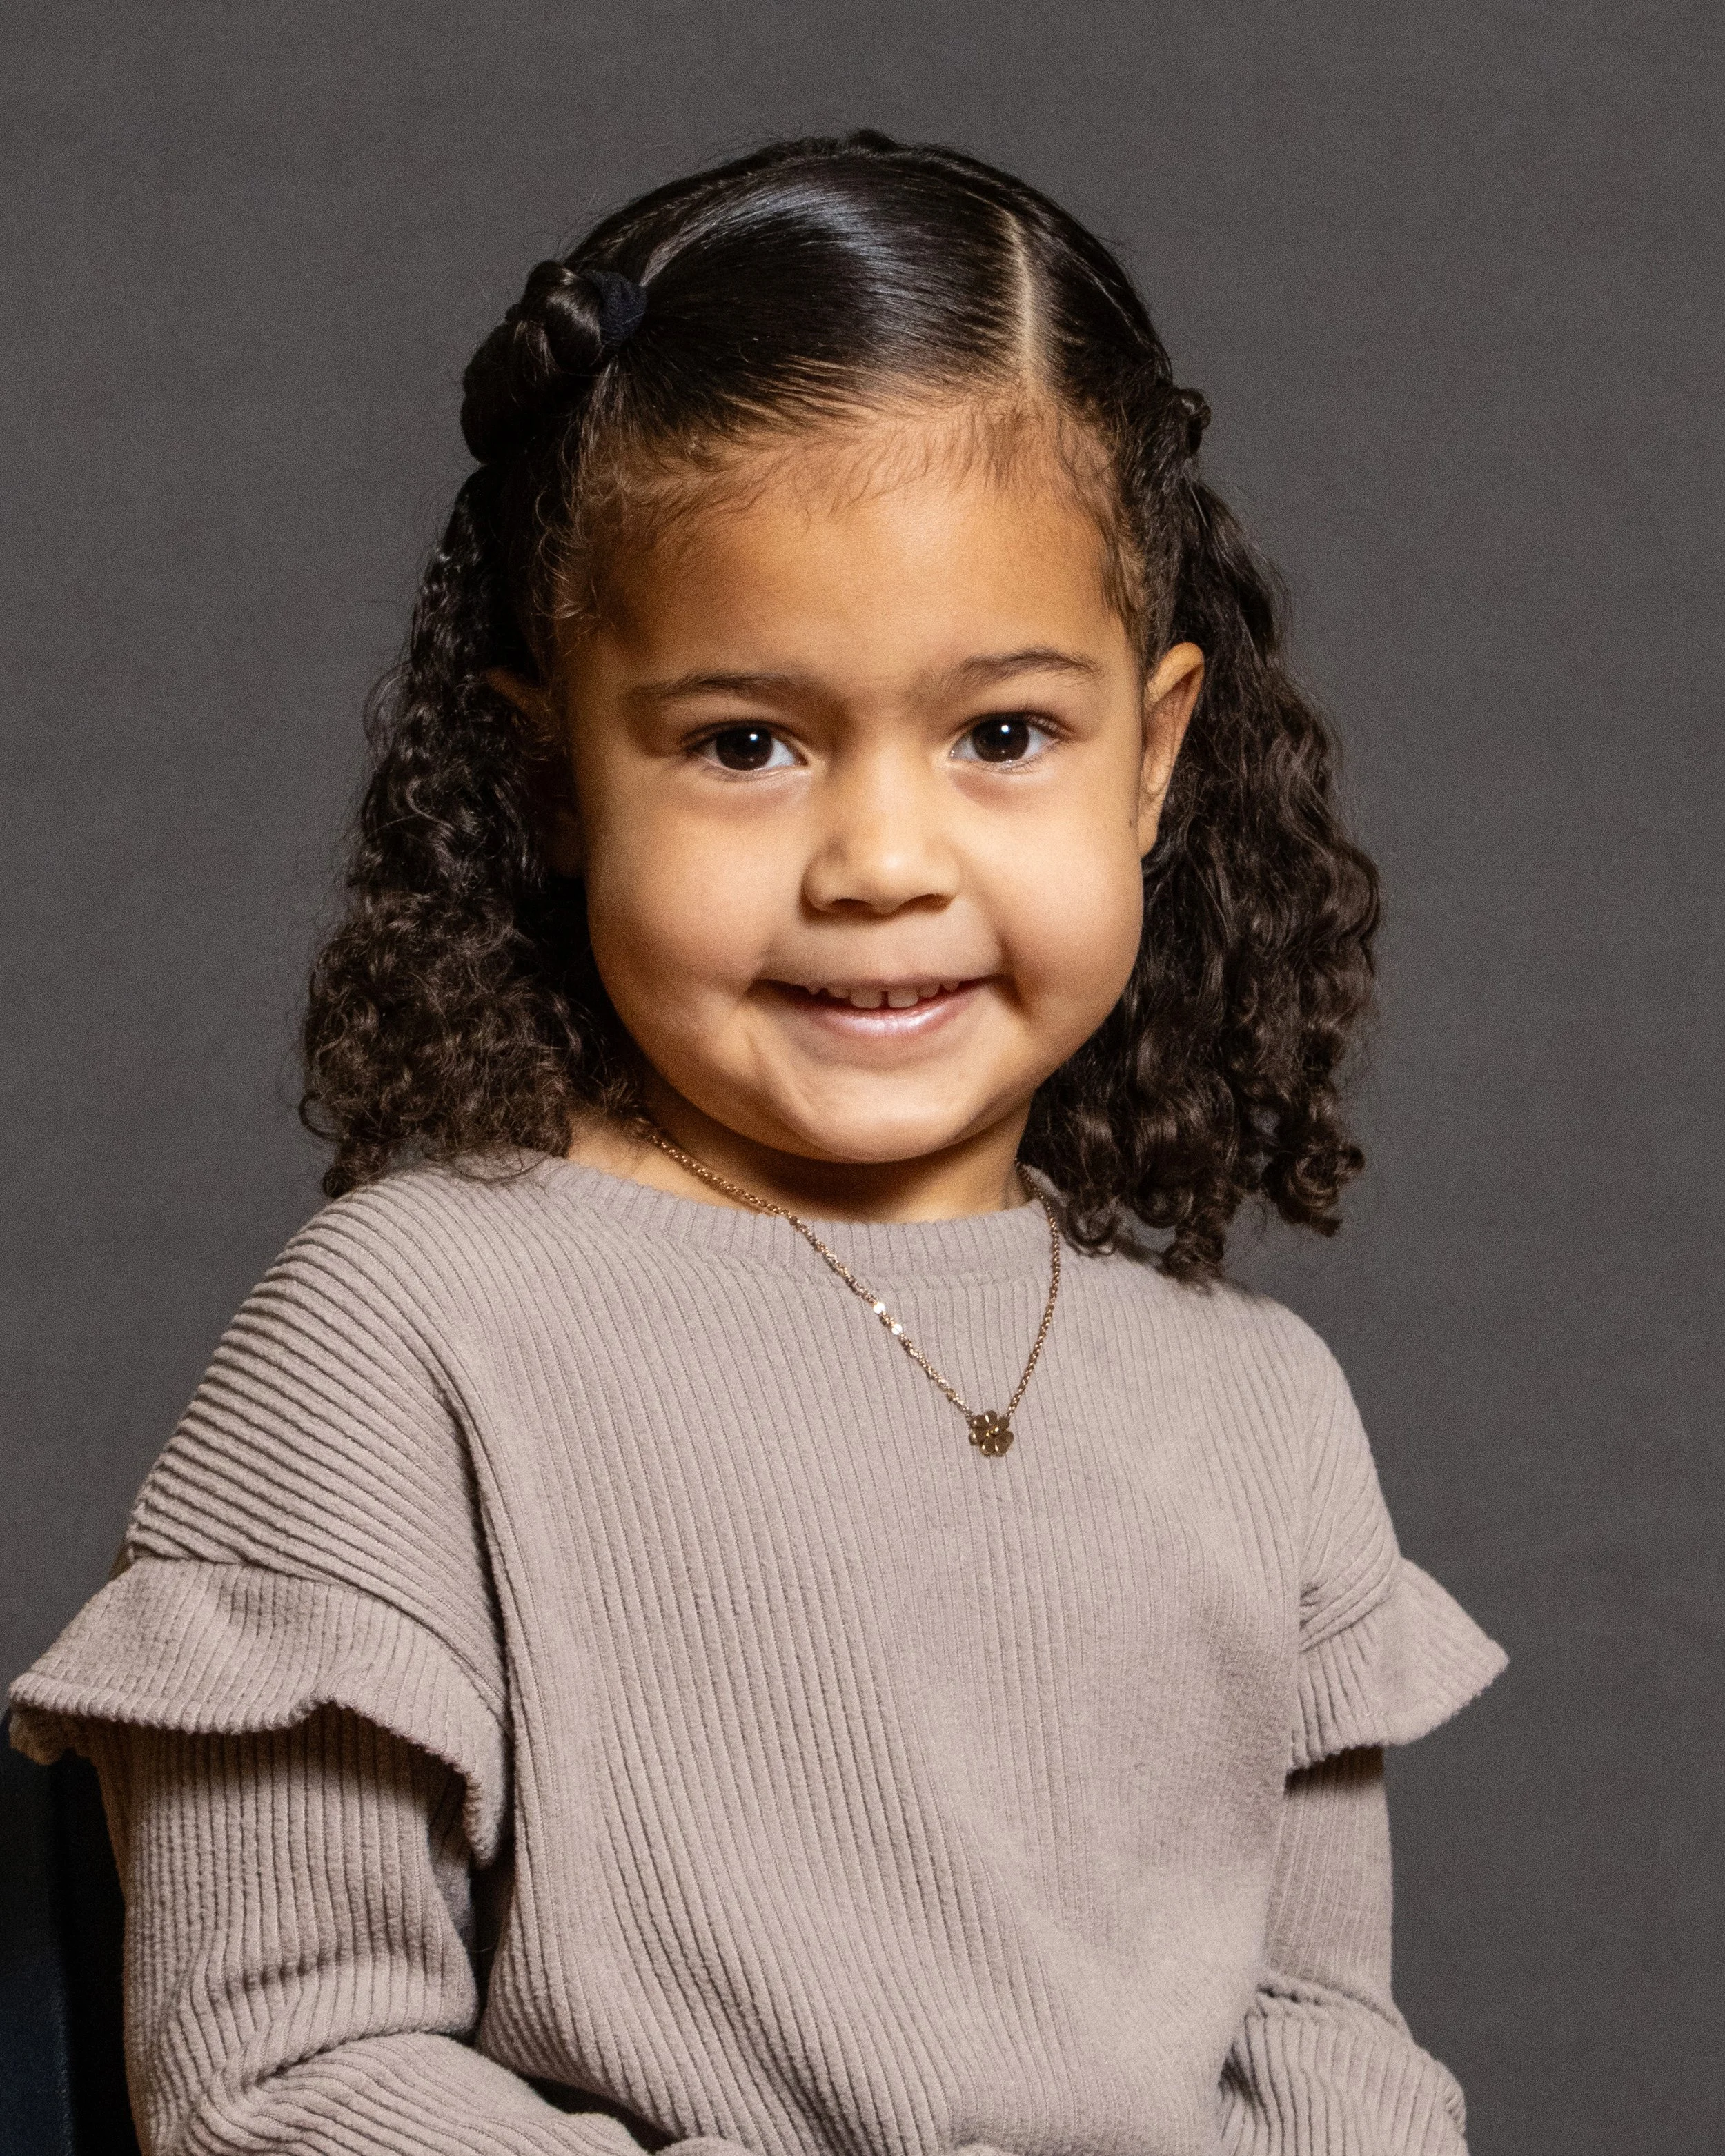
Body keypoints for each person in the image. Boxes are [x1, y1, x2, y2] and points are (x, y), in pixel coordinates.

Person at [8, 133, 1506, 2156]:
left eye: (1001, 735)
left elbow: (1326, 2042)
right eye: (745, 744)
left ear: (1153, 755)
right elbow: (280, 2076)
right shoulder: (408, 1335)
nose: (879, 862)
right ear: (550, 777)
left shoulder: (1264, 1406)